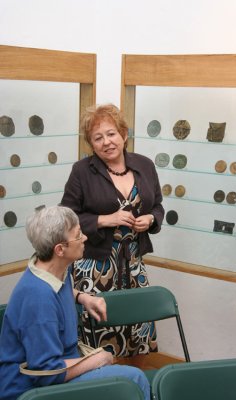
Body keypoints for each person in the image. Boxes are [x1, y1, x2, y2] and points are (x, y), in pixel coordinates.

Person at [0, 206, 150, 400]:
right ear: (60, 249)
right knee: (134, 380)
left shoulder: (52, 268)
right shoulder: (37, 299)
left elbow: (60, 287)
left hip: (62, 365)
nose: (85, 238)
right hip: (29, 391)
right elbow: (48, 374)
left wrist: (82, 297)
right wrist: (96, 360)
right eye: (78, 236)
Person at [61, 104, 164, 357]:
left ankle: (135, 390)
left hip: (134, 263)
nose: (106, 142)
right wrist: (104, 220)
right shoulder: (82, 171)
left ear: (124, 135)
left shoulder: (145, 165)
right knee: (99, 337)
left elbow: (158, 205)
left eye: (111, 134)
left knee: (138, 328)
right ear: (91, 144)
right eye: (98, 138)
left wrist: (151, 218)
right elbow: (66, 216)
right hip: (95, 266)